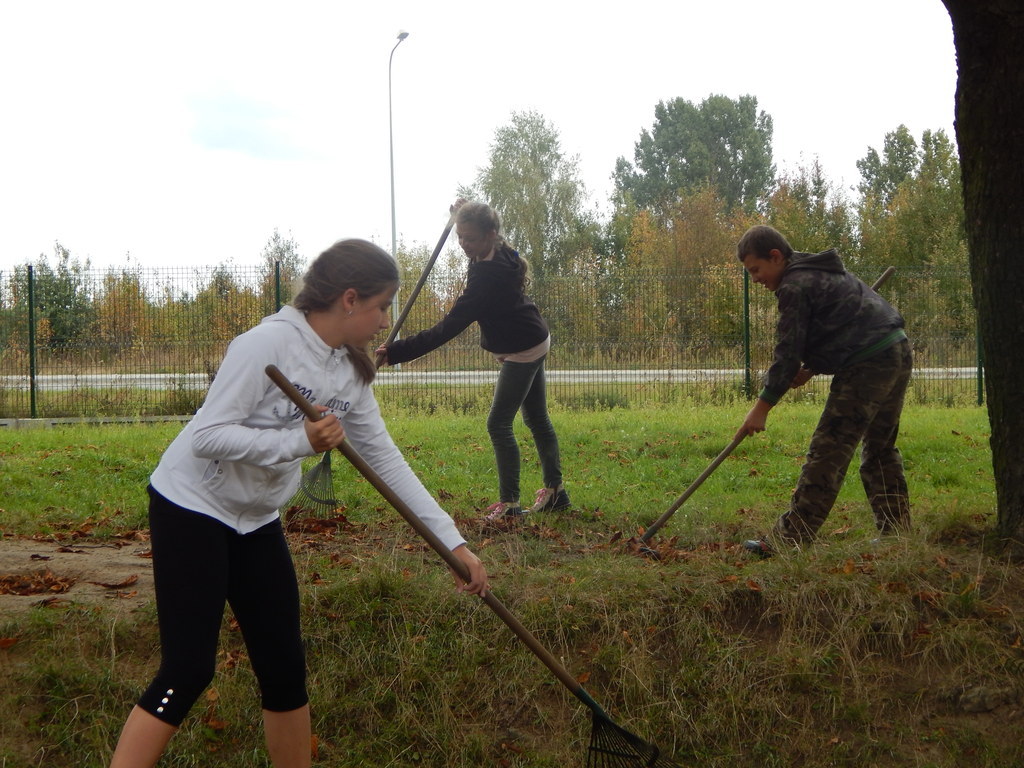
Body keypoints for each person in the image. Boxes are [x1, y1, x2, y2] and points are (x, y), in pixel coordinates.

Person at [109, 239, 488, 768]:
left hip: (256, 519)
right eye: (382, 306)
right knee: (189, 669)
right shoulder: (264, 345)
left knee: (285, 665)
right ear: (349, 299)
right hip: (191, 506)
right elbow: (207, 436)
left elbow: (385, 460)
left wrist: (454, 542)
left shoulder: (349, 370)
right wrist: (298, 444)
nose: (386, 321)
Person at [376, 200, 570, 522]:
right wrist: (463, 213)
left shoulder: (487, 278)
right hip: (534, 336)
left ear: (491, 235)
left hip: (525, 348)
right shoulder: (497, 252)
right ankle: (556, 493)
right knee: (537, 418)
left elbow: (446, 329)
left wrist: (397, 351)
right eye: (460, 237)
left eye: (471, 238)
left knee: (499, 423)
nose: (464, 245)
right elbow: (480, 242)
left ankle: (509, 505)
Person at [734, 225, 913, 557]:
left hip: (868, 363)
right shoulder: (817, 269)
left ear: (775, 257)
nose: (755, 279)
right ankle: (897, 533)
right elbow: (842, 325)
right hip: (895, 351)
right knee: (880, 447)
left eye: (755, 270)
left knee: (828, 450)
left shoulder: (795, 285)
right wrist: (813, 365)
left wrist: (762, 407)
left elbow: (787, 352)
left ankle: (790, 540)